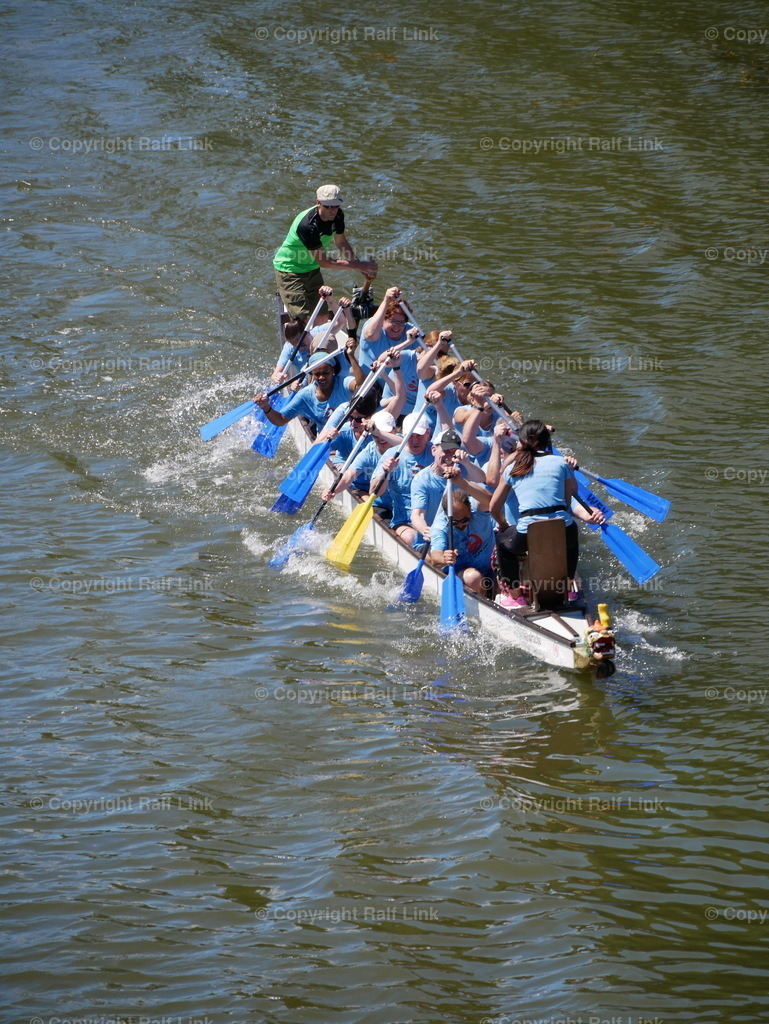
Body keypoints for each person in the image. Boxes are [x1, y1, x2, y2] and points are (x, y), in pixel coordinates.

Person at [489, 419, 606, 608]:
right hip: (562, 530)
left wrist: (503, 525)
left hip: (526, 533)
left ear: (524, 441)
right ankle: (567, 589)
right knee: (572, 529)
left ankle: (514, 596)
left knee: (502, 541)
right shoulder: (561, 463)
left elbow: (494, 507)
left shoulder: (512, 469)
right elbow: (568, 501)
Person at [272, 184, 378, 328]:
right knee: (302, 321)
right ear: (318, 203)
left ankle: (318, 345)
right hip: (290, 269)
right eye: (327, 206)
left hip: (312, 269)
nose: (332, 210)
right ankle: (304, 345)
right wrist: (359, 265)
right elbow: (324, 262)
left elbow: (341, 242)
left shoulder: (338, 215)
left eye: (335, 206)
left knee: (322, 316)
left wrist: (361, 269)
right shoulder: (308, 226)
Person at [254, 341, 364, 431]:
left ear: (333, 371)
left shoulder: (343, 383)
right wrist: (266, 407)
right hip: (328, 442)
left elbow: (361, 385)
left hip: (353, 433)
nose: (321, 377)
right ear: (311, 374)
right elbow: (281, 420)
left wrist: (351, 356)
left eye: (325, 373)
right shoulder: (305, 395)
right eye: (317, 374)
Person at [369, 411, 435, 546]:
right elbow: (373, 492)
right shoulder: (392, 454)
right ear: (404, 434)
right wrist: (386, 473)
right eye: (410, 436)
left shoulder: (436, 453)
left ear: (428, 433)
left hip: (435, 521)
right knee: (411, 537)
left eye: (419, 436)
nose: (415, 441)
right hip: (405, 522)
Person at [410, 428, 488, 541]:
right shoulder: (421, 479)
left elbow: (481, 478)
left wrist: (466, 463)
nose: (450, 458)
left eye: (454, 452)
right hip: (431, 539)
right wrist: (427, 531)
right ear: (433, 450)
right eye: (446, 452)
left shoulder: (461, 469)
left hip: (458, 537)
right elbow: (417, 515)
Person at [270, 287, 354, 384]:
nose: (300, 347)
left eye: (301, 343)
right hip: (308, 382)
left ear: (308, 333)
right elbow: (275, 374)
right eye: (295, 346)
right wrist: (277, 377)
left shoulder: (318, 333)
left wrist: (330, 300)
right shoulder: (289, 348)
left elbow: (341, 322)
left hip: (329, 376)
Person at [428, 489, 495, 596]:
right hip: (461, 573)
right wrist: (444, 558)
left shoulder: (477, 509)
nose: (460, 525)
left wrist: (461, 481)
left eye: (465, 520)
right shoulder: (440, 527)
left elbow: (491, 500)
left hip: (490, 567)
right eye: (455, 522)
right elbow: (435, 557)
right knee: (473, 577)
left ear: (469, 509)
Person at [358, 286, 419, 373]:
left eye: (401, 322)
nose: (397, 327)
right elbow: (370, 335)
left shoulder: (411, 330)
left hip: (397, 384)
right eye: (393, 321)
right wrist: (386, 300)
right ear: (384, 319)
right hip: (370, 381)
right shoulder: (373, 326)